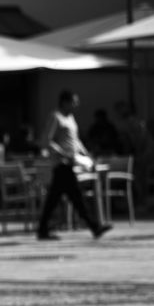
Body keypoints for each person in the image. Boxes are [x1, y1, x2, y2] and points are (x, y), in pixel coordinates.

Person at [36, 90, 112, 241]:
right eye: (74, 101)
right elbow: (46, 141)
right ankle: (94, 226)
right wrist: (63, 154)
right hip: (62, 163)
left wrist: (85, 154)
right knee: (73, 197)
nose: (77, 104)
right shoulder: (55, 117)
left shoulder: (70, 118)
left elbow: (75, 140)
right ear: (65, 102)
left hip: (70, 162)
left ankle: (43, 229)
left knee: (59, 198)